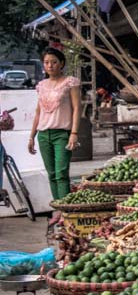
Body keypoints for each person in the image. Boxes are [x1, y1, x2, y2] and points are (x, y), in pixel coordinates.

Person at [28, 47, 81, 201]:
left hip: (62, 134)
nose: (50, 65)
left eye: (54, 62)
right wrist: (32, 137)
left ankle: (65, 213)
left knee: (61, 174)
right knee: (51, 174)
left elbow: (77, 108)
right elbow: (38, 113)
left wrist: (74, 133)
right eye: (46, 62)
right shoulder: (42, 85)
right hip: (43, 135)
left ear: (61, 63)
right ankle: (58, 209)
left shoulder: (70, 82)